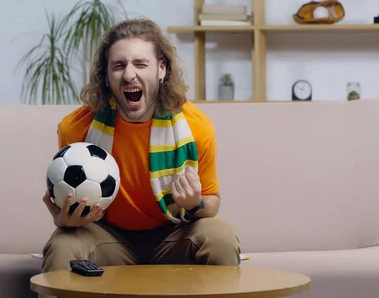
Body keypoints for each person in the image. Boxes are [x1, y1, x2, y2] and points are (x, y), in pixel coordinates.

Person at [41, 17, 241, 272]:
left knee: (220, 237)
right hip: (107, 238)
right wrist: (64, 219)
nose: (128, 74)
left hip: (173, 236)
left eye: (140, 64)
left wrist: (195, 204)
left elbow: (211, 202)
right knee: (63, 246)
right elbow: (64, 205)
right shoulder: (77, 128)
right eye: (118, 65)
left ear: (161, 69)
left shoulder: (196, 127)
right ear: (106, 75)